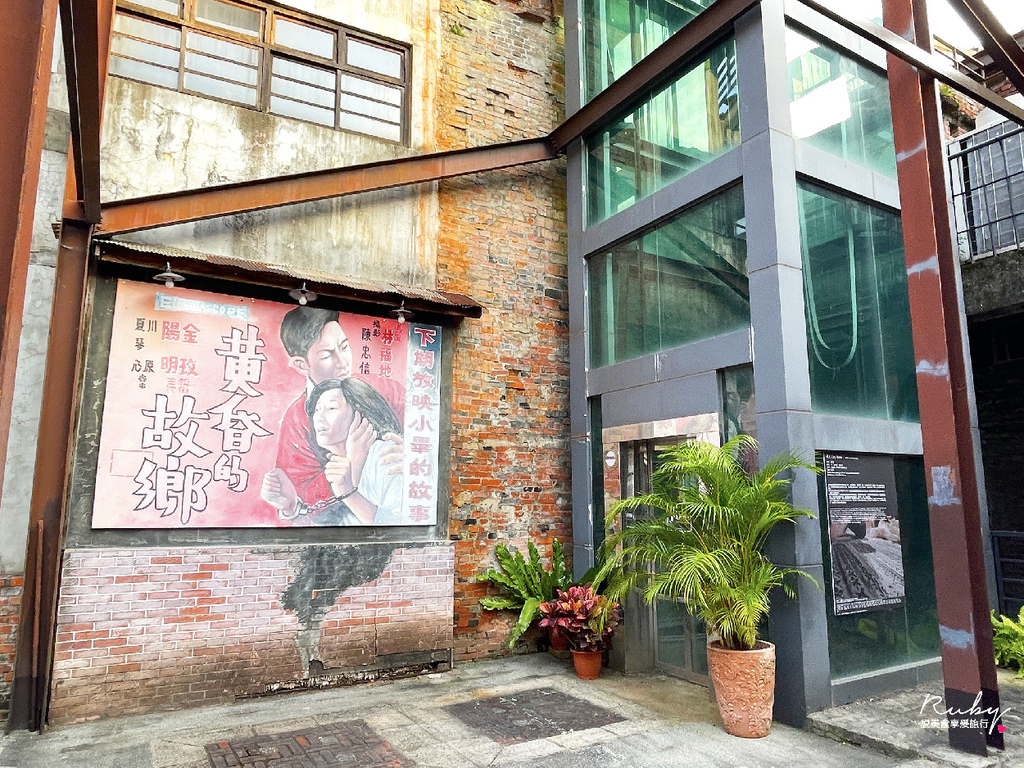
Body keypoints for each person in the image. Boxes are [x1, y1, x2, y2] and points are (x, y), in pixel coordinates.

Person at [275, 307, 404, 505]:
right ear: (302, 364)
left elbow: (425, 432)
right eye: (327, 355)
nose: (343, 363)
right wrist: (351, 463)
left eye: (344, 347)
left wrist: (413, 455)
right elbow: (303, 495)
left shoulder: (386, 388)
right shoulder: (296, 420)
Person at [262, 378, 403, 525]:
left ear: (359, 414)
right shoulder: (335, 467)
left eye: (331, 408)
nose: (319, 418)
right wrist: (291, 507)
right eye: (317, 410)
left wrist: (348, 493)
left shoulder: (387, 455)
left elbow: (399, 525)